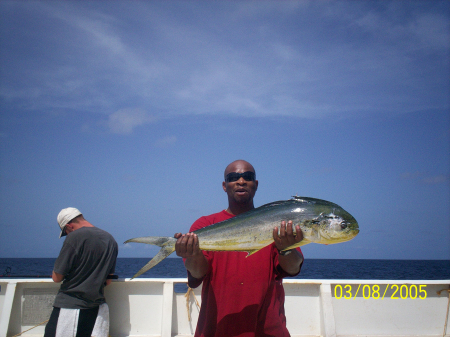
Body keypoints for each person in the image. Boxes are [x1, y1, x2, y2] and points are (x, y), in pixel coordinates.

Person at [174, 160, 304, 337]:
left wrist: (286, 249)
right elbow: (197, 273)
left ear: (256, 184)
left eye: (247, 177)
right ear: (224, 185)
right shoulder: (204, 225)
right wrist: (193, 254)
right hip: (217, 329)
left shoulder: (278, 224)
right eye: (233, 177)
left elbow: (293, 268)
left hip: (268, 330)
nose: (241, 181)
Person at [44, 207, 118, 337]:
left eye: (65, 232)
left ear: (69, 226)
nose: (67, 235)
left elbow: (57, 277)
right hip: (96, 308)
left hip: (70, 306)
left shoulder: (74, 237)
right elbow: (108, 281)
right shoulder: (110, 240)